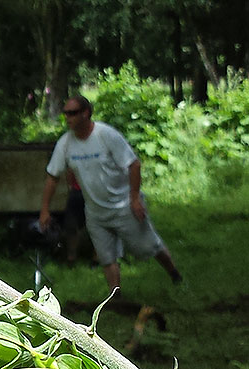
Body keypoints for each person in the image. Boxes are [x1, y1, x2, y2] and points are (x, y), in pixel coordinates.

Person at [39, 95, 182, 297]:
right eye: (65, 114)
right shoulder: (65, 143)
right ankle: (115, 297)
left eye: (72, 113)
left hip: (124, 206)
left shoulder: (106, 135)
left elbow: (134, 164)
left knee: (148, 246)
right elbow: (52, 176)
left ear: (85, 113)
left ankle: (174, 274)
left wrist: (134, 199)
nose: (67, 118)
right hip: (96, 212)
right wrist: (45, 210)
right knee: (107, 257)